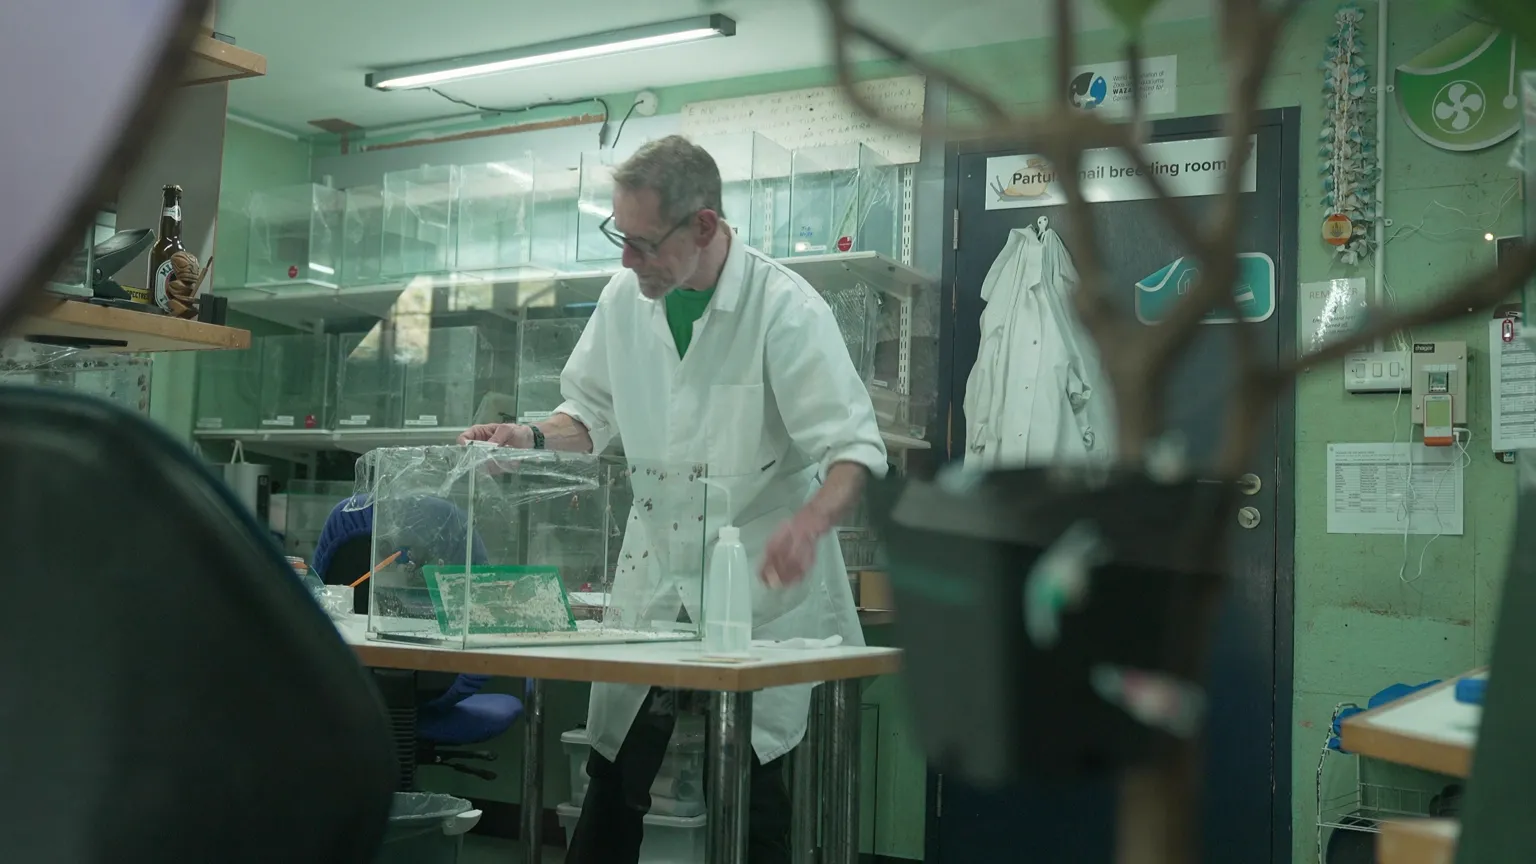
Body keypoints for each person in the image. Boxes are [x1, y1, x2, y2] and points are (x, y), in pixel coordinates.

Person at [460, 135, 886, 864]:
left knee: (753, 799)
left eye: (643, 243)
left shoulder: (784, 310)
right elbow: (587, 417)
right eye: (619, 238)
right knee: (615, 780)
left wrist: (812, 526)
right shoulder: (626, 299)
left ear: (705, 228)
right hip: (655, 576)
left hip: (758, 583)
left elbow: (854, 451)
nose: (627, 260)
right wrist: (525, 437)